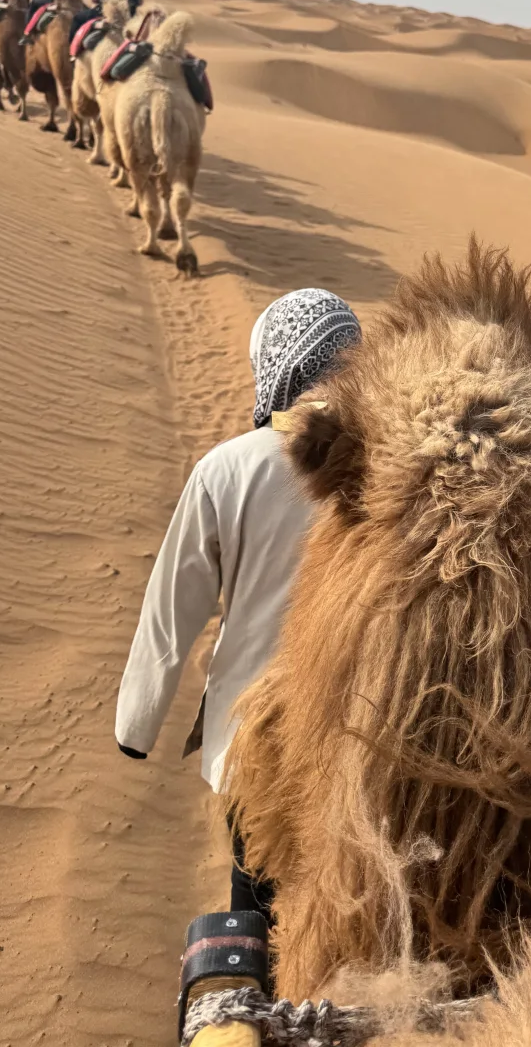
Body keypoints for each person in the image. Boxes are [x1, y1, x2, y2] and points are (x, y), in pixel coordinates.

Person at [115, 290, 361, 919]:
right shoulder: (387, 470)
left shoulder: (226, 470)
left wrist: (136, 726)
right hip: (358, 736)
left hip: (254, 738)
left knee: (254, 908)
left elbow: (172, 609)